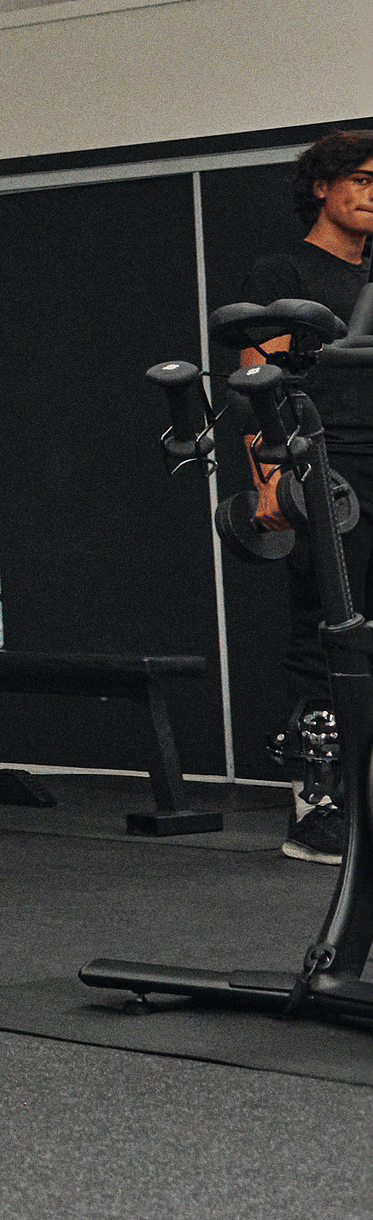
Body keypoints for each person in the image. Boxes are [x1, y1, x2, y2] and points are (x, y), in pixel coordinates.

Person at [247, 128, 373, 864]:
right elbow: (253, 385)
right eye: (359, 178)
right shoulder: (282, 269)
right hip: (325, 464)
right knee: (325, 630)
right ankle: (317, 807)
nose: (371, 194)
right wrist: (269, 477)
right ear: (321, 187)